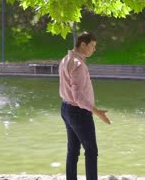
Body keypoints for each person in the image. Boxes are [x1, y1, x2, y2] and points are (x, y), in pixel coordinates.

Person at [59, 31, 111, 180]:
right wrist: (97, 112)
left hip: (66, 108)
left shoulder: (65, 59)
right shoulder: (78, 64)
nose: (94, 49)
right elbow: (78, 97)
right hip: (78, 112)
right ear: (83, 44)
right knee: (91, 151)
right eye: (92, 46)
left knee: (73, 150)